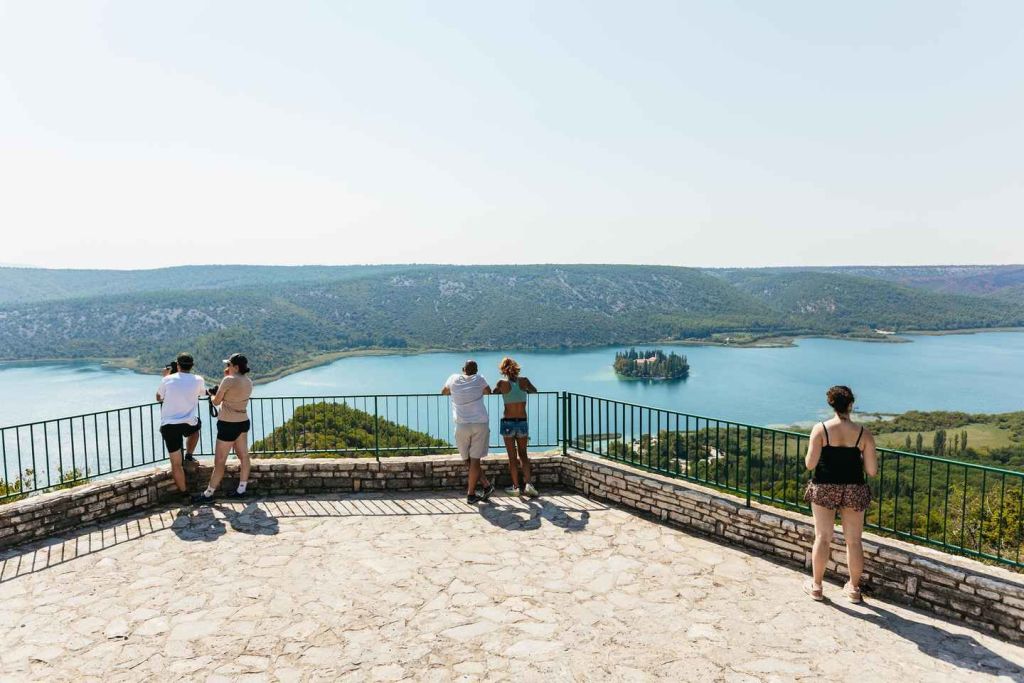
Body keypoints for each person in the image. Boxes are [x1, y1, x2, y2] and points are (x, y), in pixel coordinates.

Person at [803, 385, 878, 603]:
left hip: (825, 487)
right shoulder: (864, 434)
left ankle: (817, 587)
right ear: (851, 405)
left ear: (832, 405)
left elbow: (810, 464)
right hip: (854, 488)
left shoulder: (820, 430)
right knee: (854, 541)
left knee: (822, 537)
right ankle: (853, 589)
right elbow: (872, 471)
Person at [193, 353, 254, 503]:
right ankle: (241, 489)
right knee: (244, 456)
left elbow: (216, 402)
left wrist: (212, 395)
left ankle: (208, 494)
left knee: (220, 461)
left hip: (228, 424)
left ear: (236, 367)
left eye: (229, 365)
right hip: (243, 421)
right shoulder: (249, 382)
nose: (227, 367)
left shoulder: (228, 380)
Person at [442, 360, 495, 504]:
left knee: (467, 459)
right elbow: (488, 391)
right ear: (476, 370)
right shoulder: (479, 378)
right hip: (480, 423)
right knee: (474, 460)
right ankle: (485, 485)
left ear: (463, 369)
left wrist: (458, 392)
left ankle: (472, 493)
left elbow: (444, 392)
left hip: (461, 425)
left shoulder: (453, 378)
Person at [156, 353, 207, 501]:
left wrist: (166, 376)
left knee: (176, 464)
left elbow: (158, 397)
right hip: (188, 422)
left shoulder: (167, 379)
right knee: (196, 428)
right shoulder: (198, 379)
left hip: (169, 426)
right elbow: (202, 393)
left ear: (177, 365)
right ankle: (189, 455)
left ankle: (184, 494)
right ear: (191, 366)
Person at [492, 357, 539, 497]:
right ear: (516, 368)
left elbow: (494, 392)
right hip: (522, 422)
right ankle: (528, 484)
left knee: (512, 457)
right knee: (523, 454)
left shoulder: (501, 383)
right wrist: (524, 391)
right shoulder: (524, 381)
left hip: (508, 423)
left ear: (503, 370)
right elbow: (534, 391)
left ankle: (516, 487)